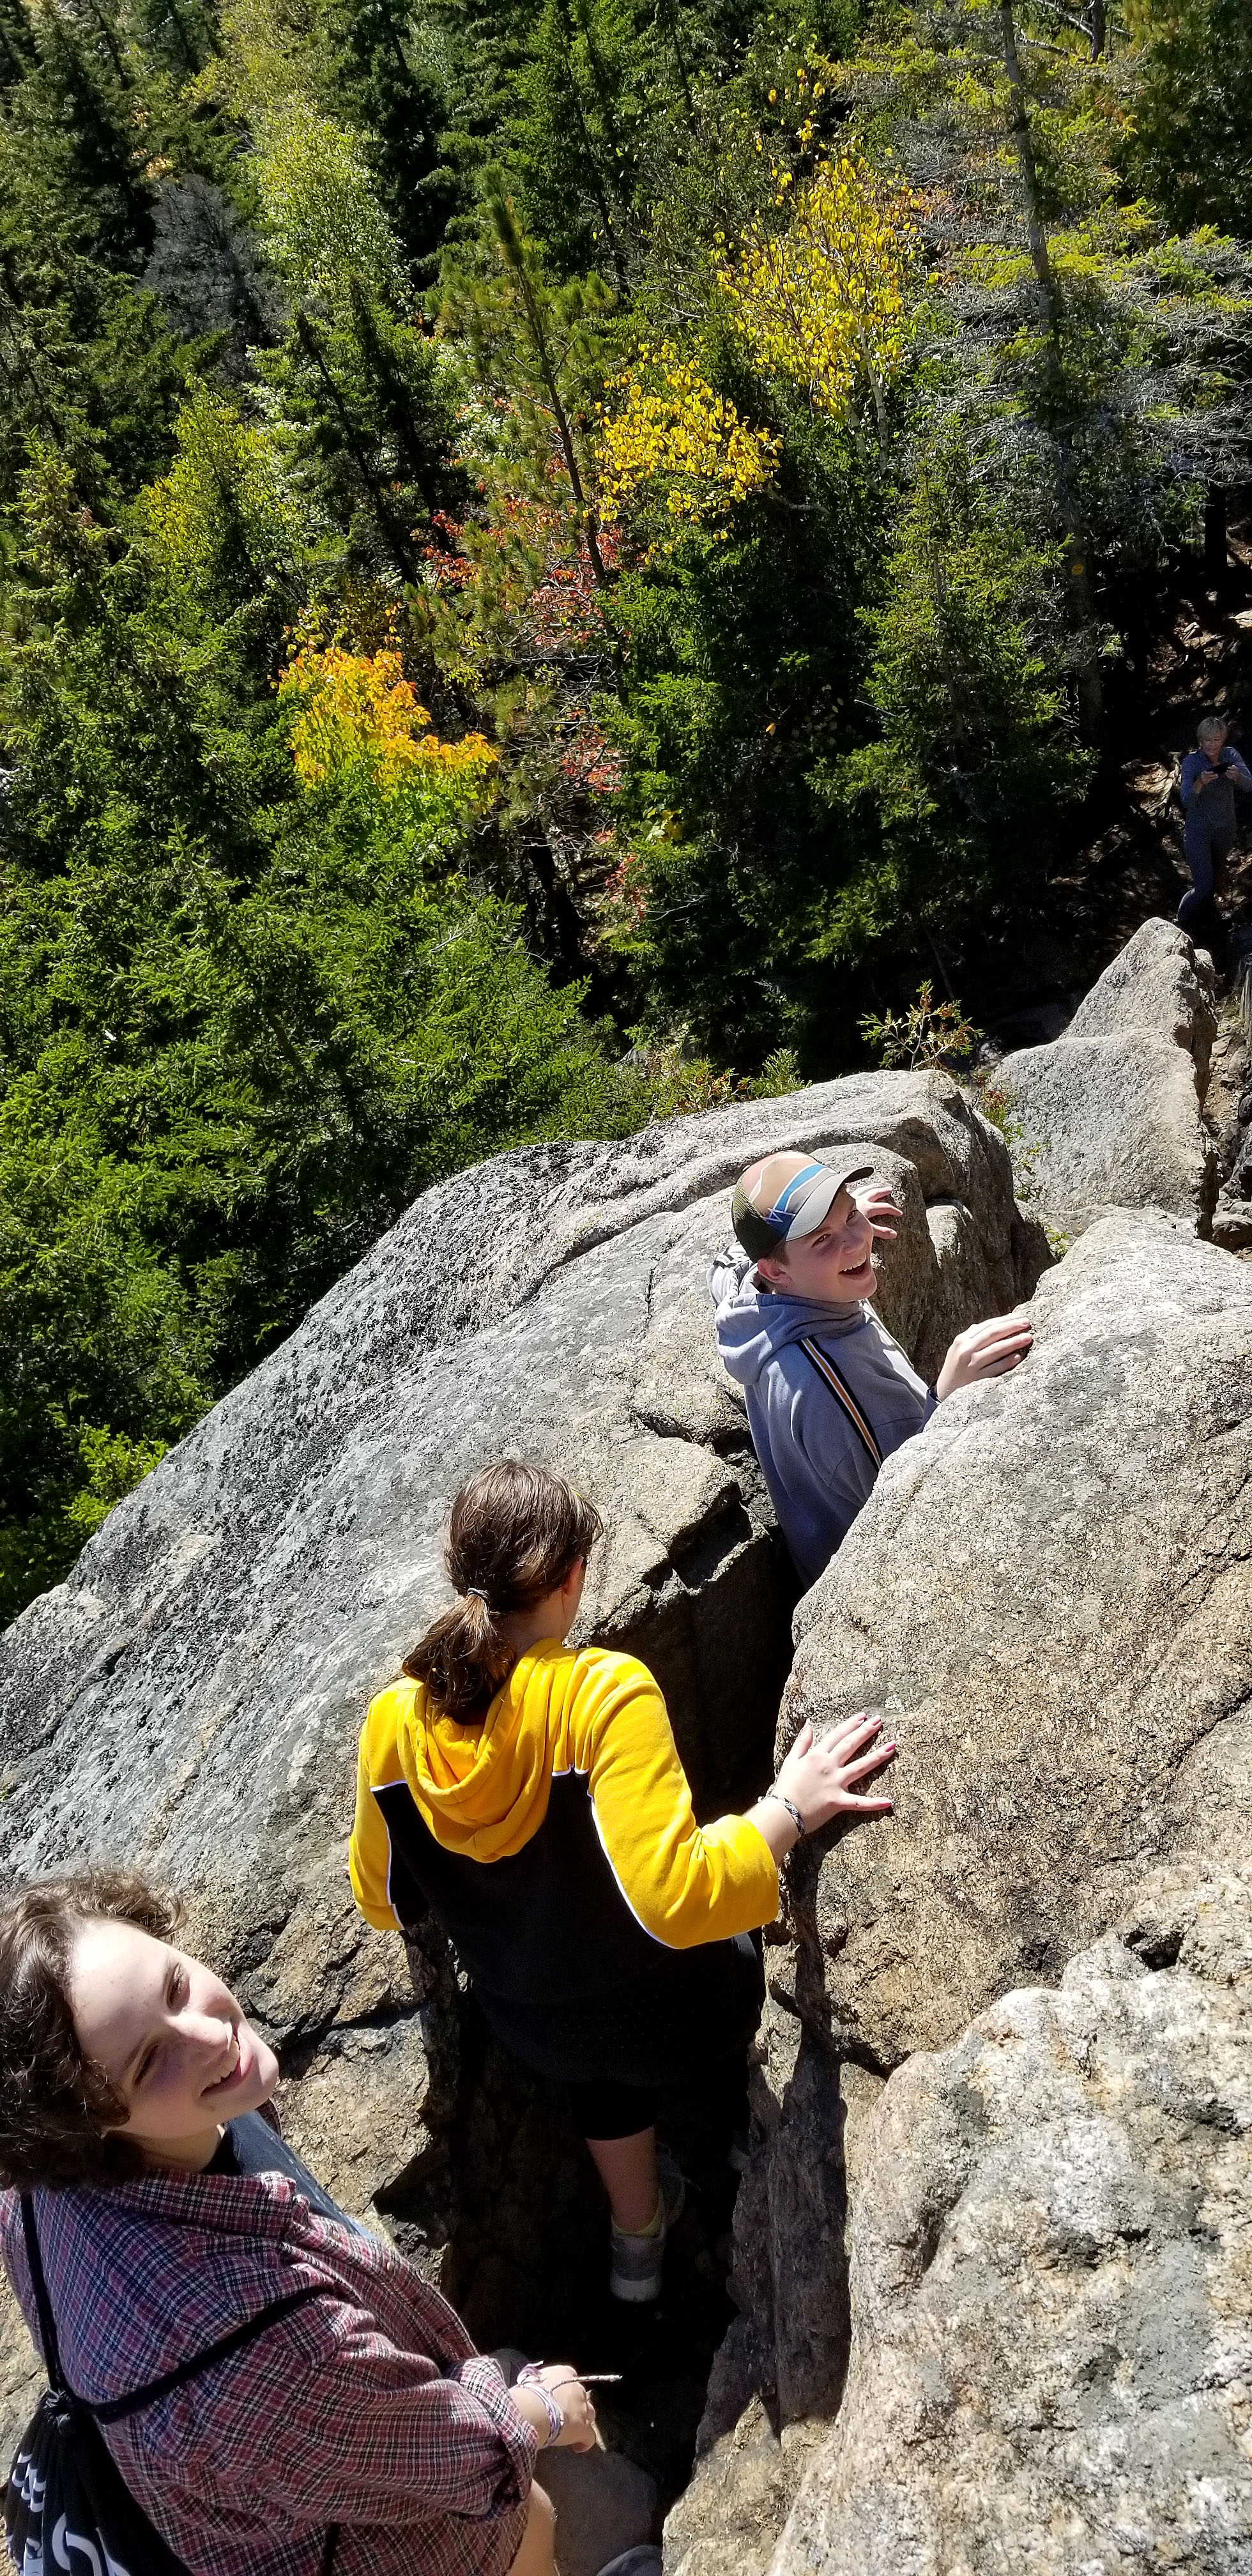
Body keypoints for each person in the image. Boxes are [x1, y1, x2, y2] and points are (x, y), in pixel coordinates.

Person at [350, 1460, 896, 2303]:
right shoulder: (601, 1693)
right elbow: (677, 1900)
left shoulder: (394, 1721)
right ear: (573, 1576)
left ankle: (636, 2244)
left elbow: (384, 1902)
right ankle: (753, 2141)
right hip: (683, 2017)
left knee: (596, 2059)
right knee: (736, 1948)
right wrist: (787, 1807)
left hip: (537, 2028)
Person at [0, 1867, 632, 2576]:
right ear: (87, 2125)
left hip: (234, 2494)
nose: (208, 2035)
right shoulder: (257, 2349)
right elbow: (464, 2460)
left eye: (175, 1986)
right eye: (149, 2064)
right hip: (386, 2552)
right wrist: (544, 2409)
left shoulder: (39, 2189)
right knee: (530, 2525)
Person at [710, 1151, 1033, 1588]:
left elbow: (729, 1265)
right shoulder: (831, 1387)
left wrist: (835, 1228)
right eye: (821, 1240)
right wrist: (949, 1396)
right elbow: (906, 1510)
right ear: (776, 1271)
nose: (856, 1241)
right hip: (873, 1581)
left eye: (850, 1216)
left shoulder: (759, 1294)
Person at [1177, 714, 1252, 932]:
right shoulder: (1192, 762)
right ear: (1200, 741)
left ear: (1223, 739)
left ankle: (1207, 916)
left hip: (1225, 829)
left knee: (1216, 875)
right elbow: (1186, 801)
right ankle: (1180, 920)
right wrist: (1200, 783)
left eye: (1217, 740)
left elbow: (1249, 785)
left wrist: (1237, 776)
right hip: (1198, 832)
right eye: (1207, 740)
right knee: (1203, 885)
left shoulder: (1231, 755)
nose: (1212, 745)